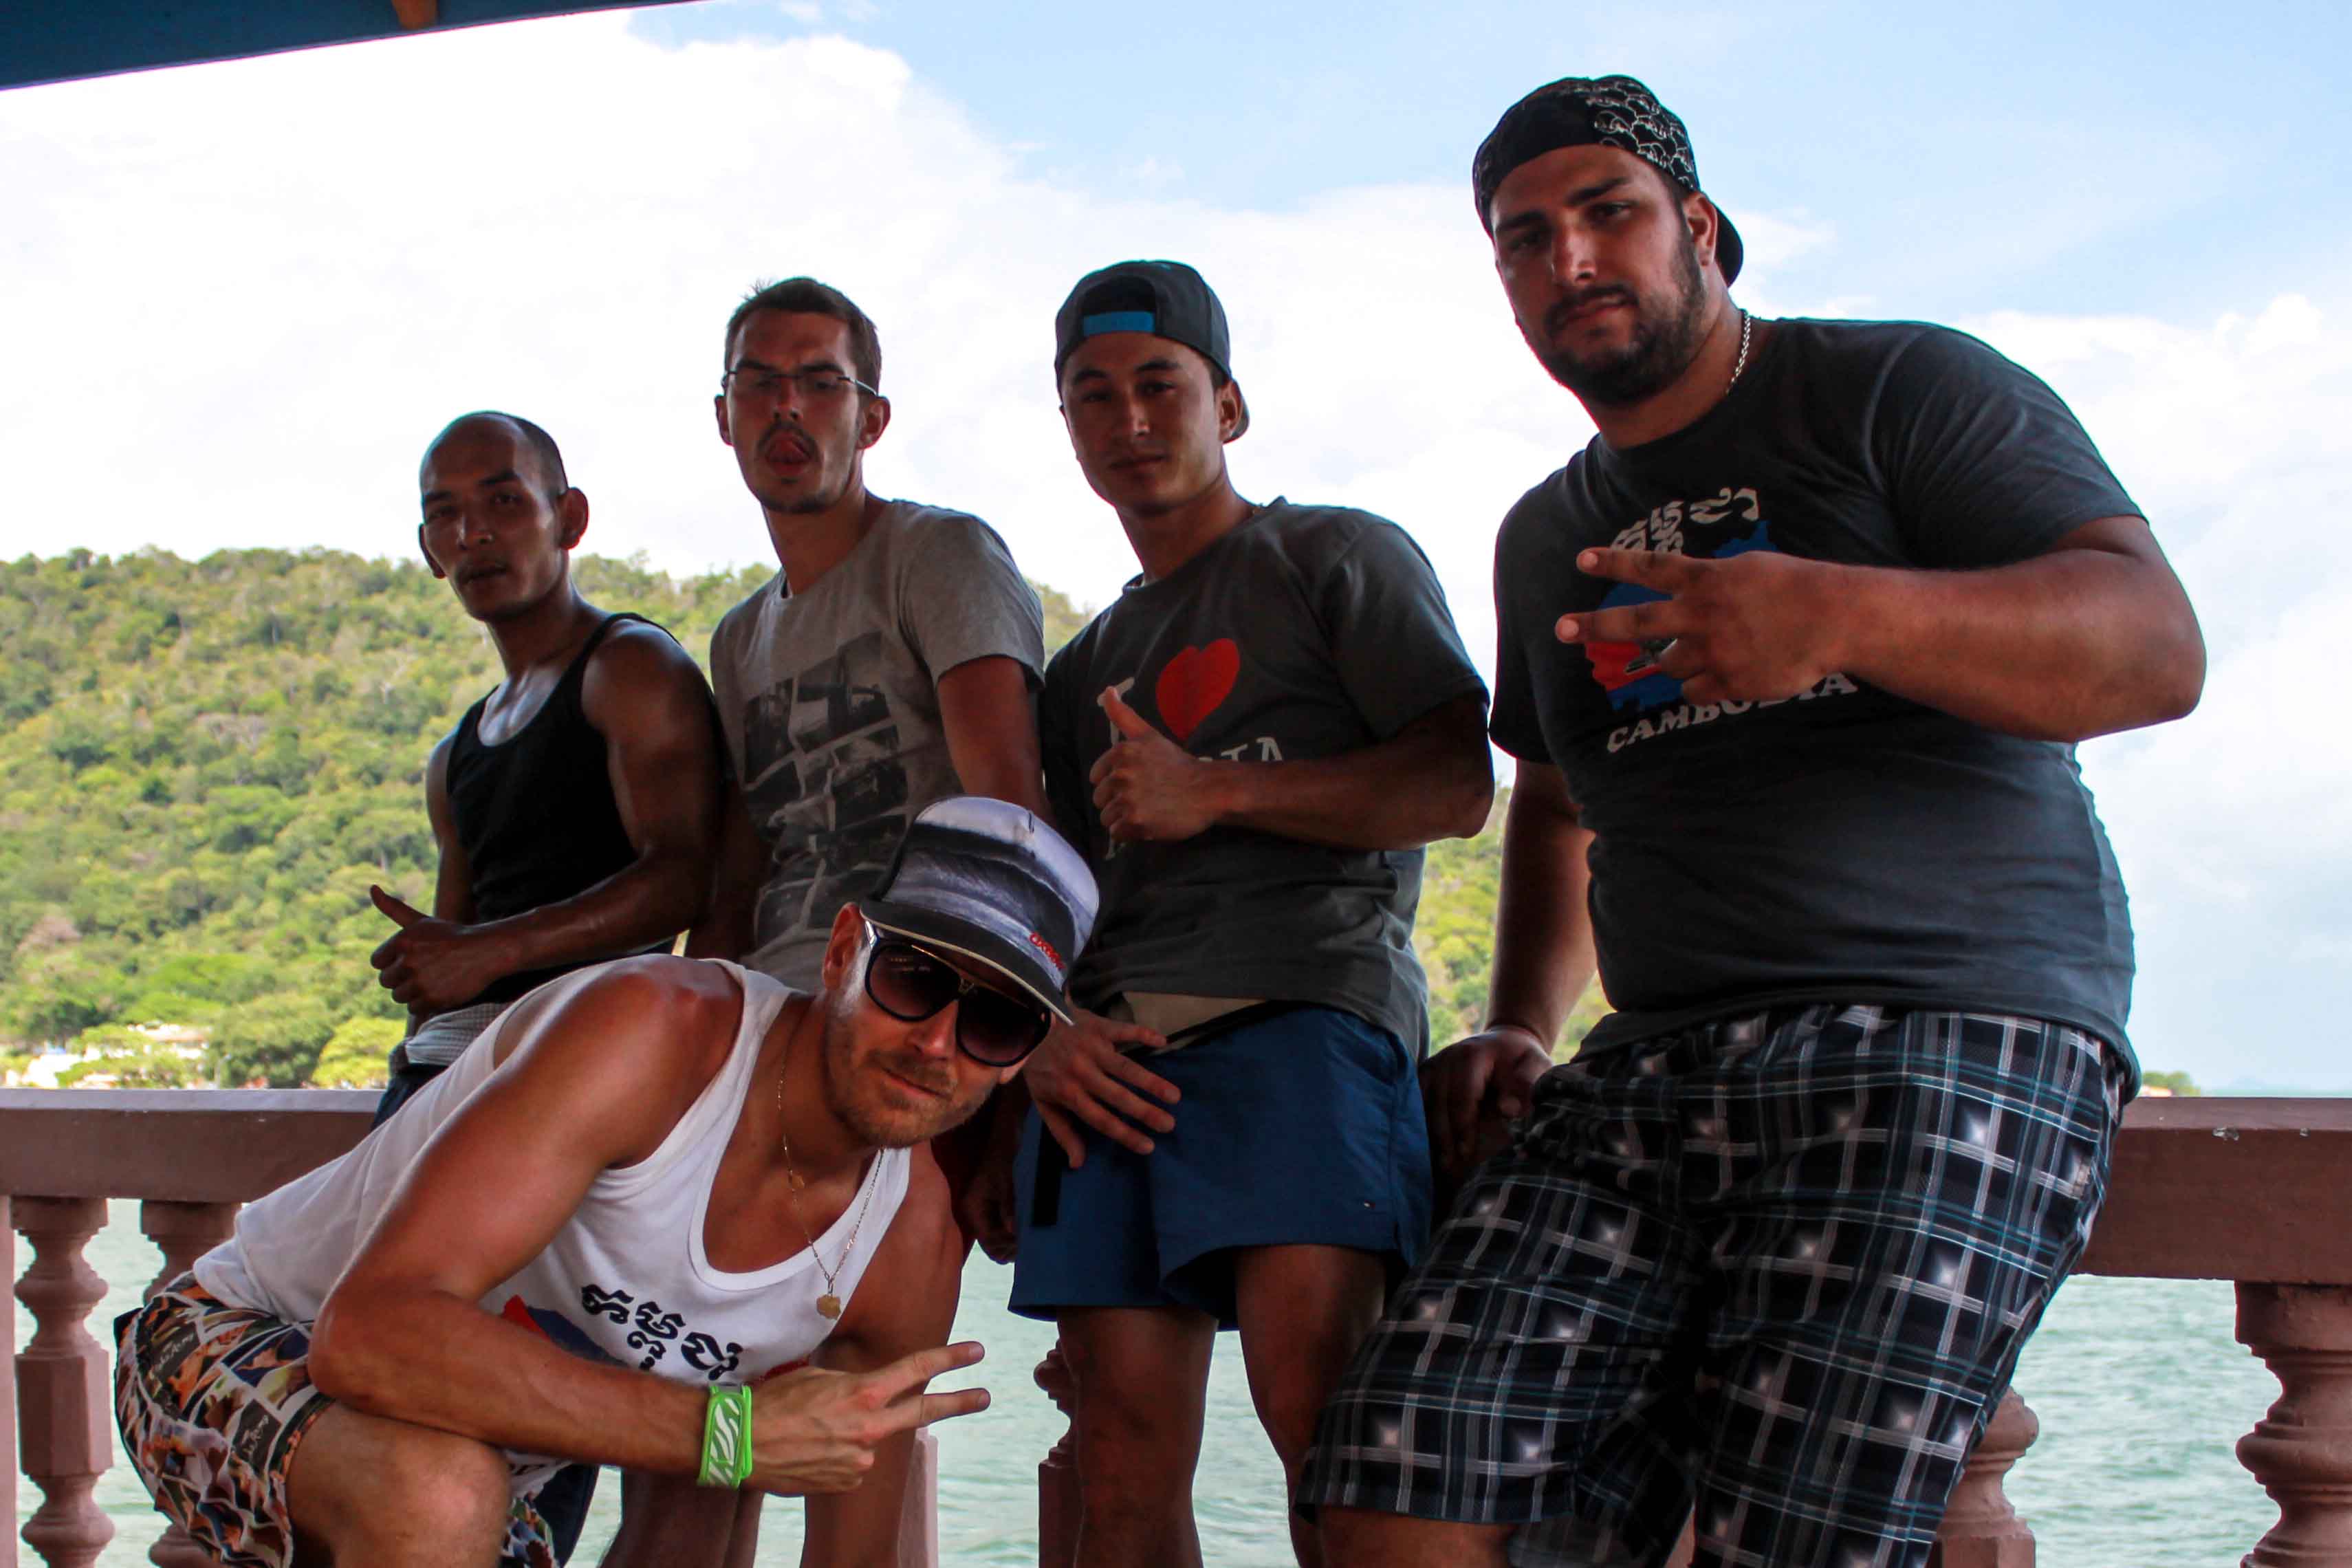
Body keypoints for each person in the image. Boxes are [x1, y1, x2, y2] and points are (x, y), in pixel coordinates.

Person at [1303, 76, 2206, 1568]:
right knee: (1392, 1489)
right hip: (1655, 1063)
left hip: (1948, 1024)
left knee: (1792, 1540)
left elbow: (2156, 648)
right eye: (1524, 238)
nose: (1569, 259)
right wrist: (1521, 1017)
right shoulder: (1545, 532)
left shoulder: (1898, 388)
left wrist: (1840, 614)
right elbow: (1557, 796)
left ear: (1702, 229)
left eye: (1609, 213)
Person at [116, 797, 1098, 1568]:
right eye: (916, 978)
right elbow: (369, 1335)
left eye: (997, 1021)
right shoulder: (651, 1035)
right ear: (844, 950)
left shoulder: (906, 1247)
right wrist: (730, 1434)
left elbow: (851, 1552)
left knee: (666, 1489)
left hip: (475, 1471)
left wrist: (728, 1442)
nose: (938, 1043)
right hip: (228, 1343)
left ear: (1026, 1056)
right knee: (448, 1492)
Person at [1013, 259, 1494, 1568]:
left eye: (1160, 385)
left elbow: (1457, 785)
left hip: (1300, 1019)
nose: (1129, 420)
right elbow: (1057, 896)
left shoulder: (1334, 553)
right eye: (1092, 395)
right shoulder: (1080, 667)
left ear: (1227, 404)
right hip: (1111, 1061)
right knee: (1118, 1464)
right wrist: (1038, 1041)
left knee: (1325, 1432)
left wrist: (1213, 789)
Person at [694, 276, 1049, 1258]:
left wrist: (1020, 1081)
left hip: (911, 1013)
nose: (787, 407)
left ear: (872, 418)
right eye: (759, 384)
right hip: (767, 1024)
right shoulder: (738, 640)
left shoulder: (936, 557)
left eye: (821, 383)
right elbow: (741, 870)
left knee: (866, 1328)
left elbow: (1014, 813)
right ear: (724, 418)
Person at [369, 411, 726, 1122]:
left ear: (569, 518)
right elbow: (452, 959)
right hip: (453, 1070)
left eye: (504, 500)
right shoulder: (454, 755)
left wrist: (488, 951)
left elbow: (685, 877)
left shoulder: (629, 669)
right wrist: (431, 975)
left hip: (581, 1065)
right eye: (445, 515)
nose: (473, 534)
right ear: (430, 551)